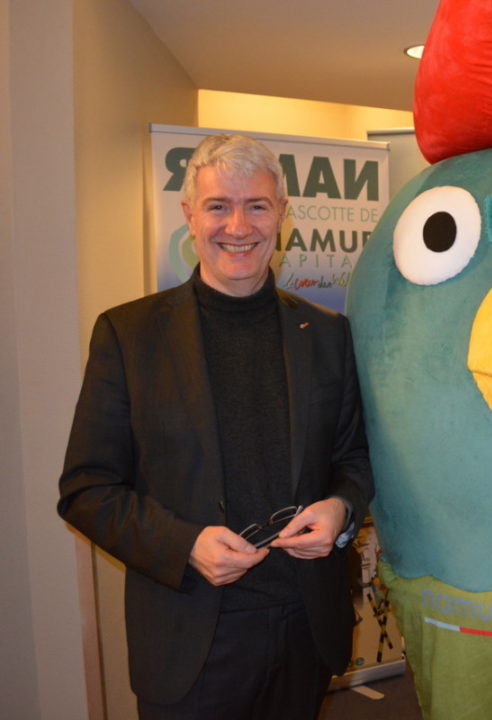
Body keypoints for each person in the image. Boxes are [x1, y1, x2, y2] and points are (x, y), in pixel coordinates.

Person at [58, 133, 374, 720]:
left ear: (282, 214)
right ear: (189, 215)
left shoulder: (329, 334)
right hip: (190, 637)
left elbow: (353, 457)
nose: (238, 225)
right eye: (218, 206)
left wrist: (340, 511)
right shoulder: (129, 336)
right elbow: (85, 491)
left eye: (257, 205)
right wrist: (184, 546)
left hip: (304, 627)